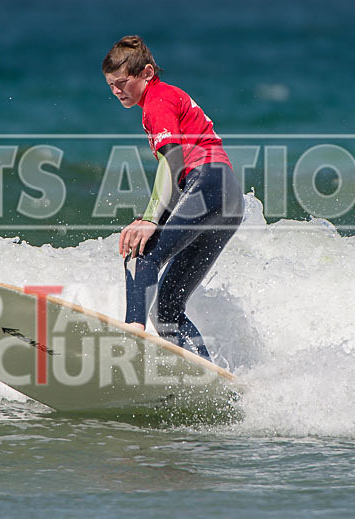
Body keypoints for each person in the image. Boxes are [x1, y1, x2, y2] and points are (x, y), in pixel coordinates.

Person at [102, 35, 244, 359]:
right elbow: (179, 175)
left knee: (141, 252)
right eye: (111, 85)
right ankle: (205, 373)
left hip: (207, 183)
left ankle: (132, 331)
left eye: (122, 82)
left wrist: (150, 219)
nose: (117, 91)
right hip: (227, 198)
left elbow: (173, 162)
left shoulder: (158, 99)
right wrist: (153, 218)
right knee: (167, 306)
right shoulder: (165, 98)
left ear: (147, 73)